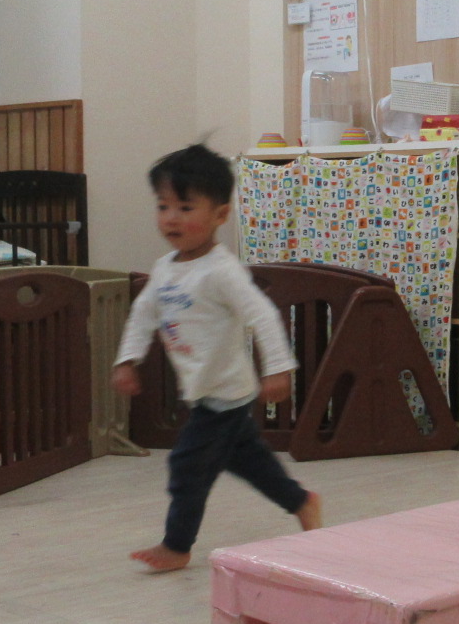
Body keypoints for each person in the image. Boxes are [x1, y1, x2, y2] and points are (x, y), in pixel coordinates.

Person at [113, 144, 321, 571]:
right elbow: (143, 314)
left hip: (225, 393)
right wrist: (127, 359)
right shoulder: (166, 269)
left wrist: (279, 368)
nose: (171, 218)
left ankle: (177, 546)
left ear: (220, 214)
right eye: (163, 206)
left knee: (187, 465)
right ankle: (301, 501)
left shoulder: (222, 271)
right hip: (206, 392)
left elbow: (262, 315)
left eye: (185, 207)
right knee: (250, 462)